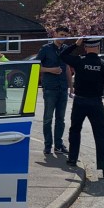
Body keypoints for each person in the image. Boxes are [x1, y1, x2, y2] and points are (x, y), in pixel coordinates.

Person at [60, 37, 104, 180]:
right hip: (95, 102)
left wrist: (75, 44)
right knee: (100, 134)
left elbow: (62, 56)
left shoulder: (79, 61)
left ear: (86, 48)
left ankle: (72, 159)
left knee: (75, 130)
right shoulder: (103, 64)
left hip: (80, 101)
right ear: (98, 48)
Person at [35, 26, 71, 156]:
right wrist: (50, 70)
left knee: (60, 119)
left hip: (62, 88)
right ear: (55, 34)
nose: (63, 38)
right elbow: (36, 66)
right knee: (48, 118)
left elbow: (67, 68)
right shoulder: (46, 49)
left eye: (65, 36)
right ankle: (47, 145)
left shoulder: (66, 49)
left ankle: (59, 145)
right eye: (61, 34)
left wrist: (71, 87)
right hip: (50, 88)